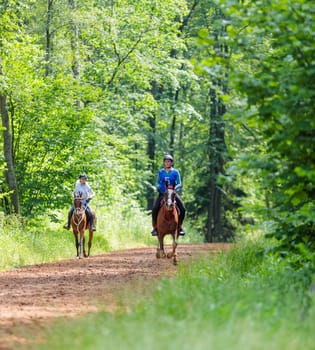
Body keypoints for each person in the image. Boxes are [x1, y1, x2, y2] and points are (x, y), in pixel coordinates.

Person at [151, 154, 186, 236]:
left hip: (172, 193)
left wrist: (174, 189)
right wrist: (159, 187)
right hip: (163, 193)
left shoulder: (175, 172)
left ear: (171, 163)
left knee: (183, 209)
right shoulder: (161, 172)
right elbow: (157, 182)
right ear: (164, 163)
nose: (167, 163)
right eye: (166, 162)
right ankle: (155, 227)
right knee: (155, 208)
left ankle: (179, 227)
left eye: (169, 162)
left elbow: (179, 183)